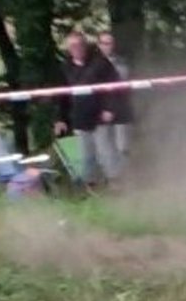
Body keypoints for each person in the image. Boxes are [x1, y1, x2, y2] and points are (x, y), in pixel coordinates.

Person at [54, 31, 122, 187]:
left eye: (80, 45)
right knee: (86, 154)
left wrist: (110, 109)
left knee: (106, 151)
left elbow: (115, 87)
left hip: (100, 116)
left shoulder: (101, 63)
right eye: (73, 46)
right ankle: (91, 185)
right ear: (68, 49)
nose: (77, 48)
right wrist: (60, 119)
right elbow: (62, 96)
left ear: (85, 46)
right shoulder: (65, 68)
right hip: (80, 118)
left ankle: (115, 182)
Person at [97, 31, 133, 164]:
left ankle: (127, 172)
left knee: (122, 147)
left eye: (110, 43)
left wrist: (111, 108)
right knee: (104, 148)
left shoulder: (122, 63)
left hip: (121, 111)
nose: (108, 46)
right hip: (99, 112)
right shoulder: (92, 64)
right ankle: (110, 174)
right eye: (104, 43)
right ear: (99, 45)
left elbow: (121, 87)